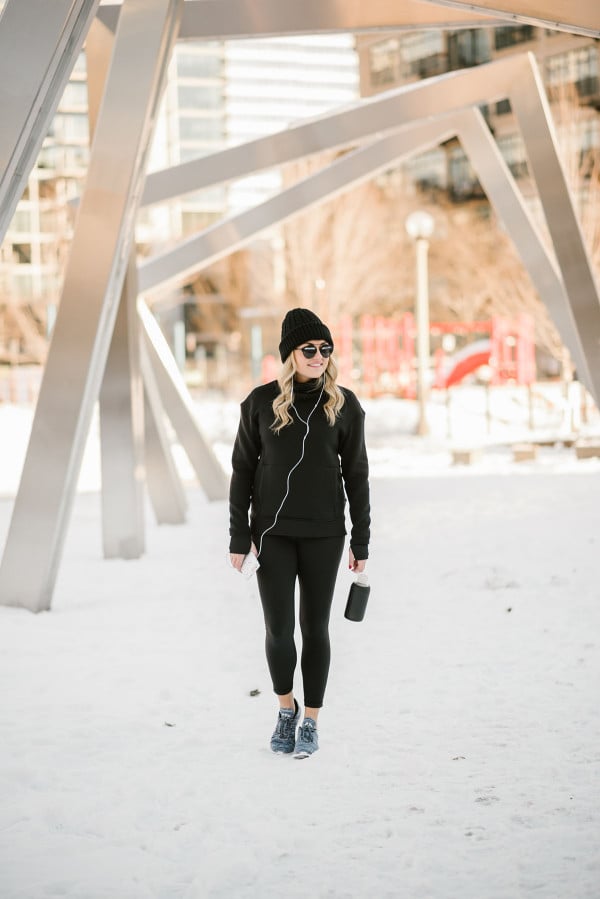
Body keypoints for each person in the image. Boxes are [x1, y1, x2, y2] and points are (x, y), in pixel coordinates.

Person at [229, 308, 370, 759]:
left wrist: (360, 541)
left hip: (325, 535)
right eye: (310, 349)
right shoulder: (259, 403)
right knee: (279, 629)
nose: (319, 356)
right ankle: (285, 708)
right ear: (290, 354)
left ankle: (310, 720)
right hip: (272, 535)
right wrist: (238, 536)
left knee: (315, 628)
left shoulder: (344, 405)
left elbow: (358, 477)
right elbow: (241, 473)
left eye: (326, 349)